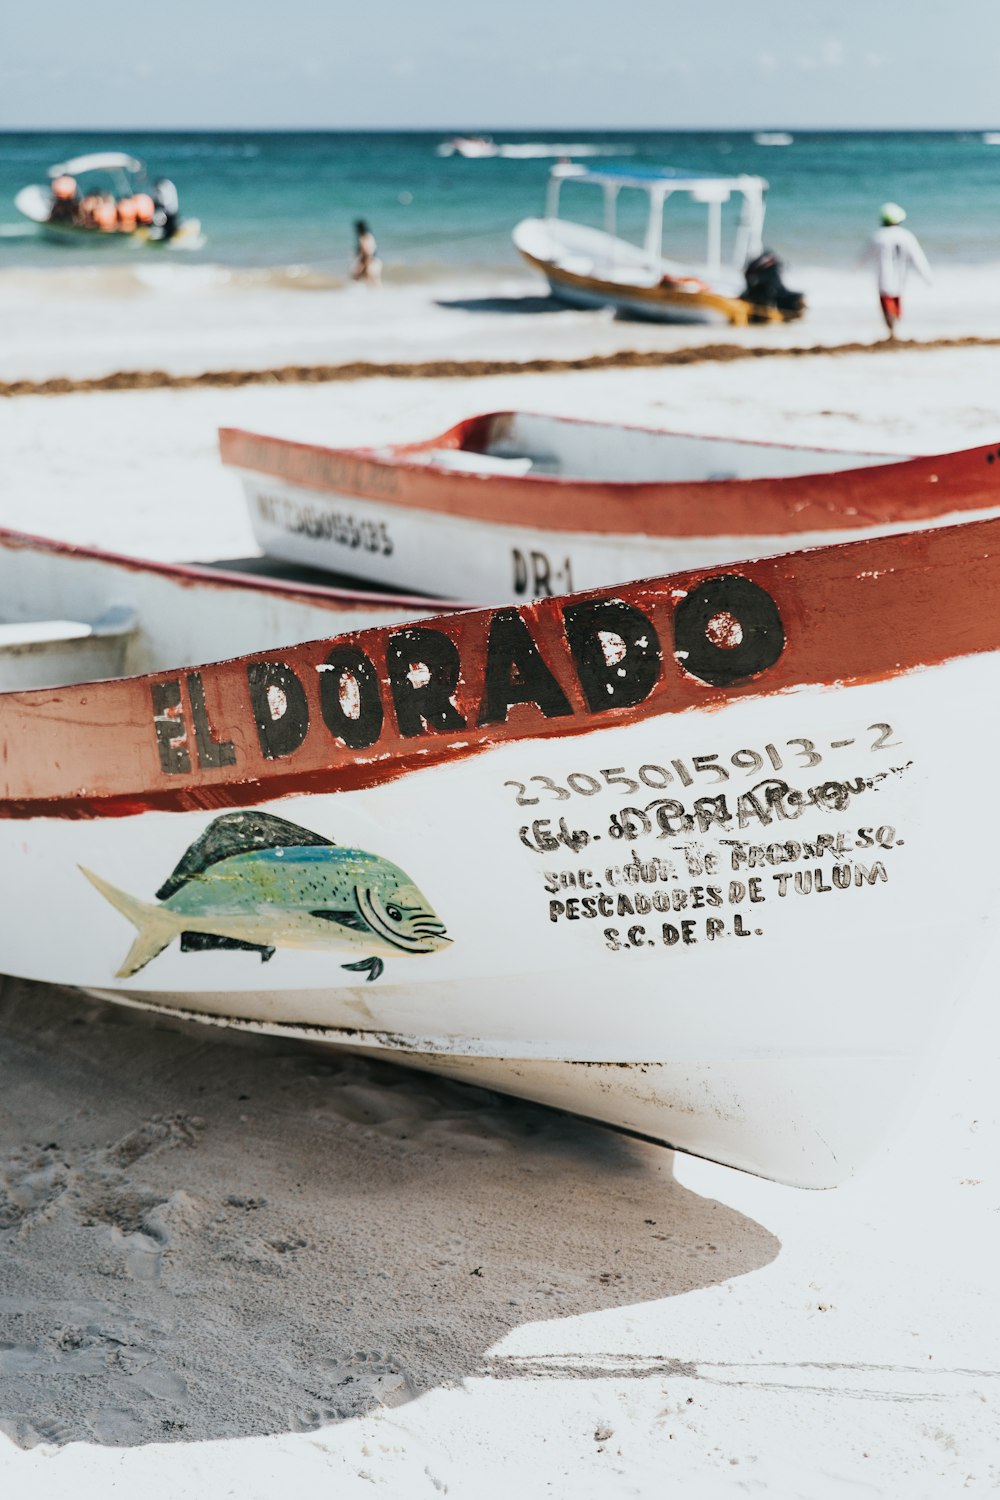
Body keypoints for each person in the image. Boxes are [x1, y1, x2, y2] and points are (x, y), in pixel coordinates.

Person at [861, 203, 932, 336]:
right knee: (896, 302)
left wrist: (855, 270)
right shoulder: (906, 236)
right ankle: (895, 329)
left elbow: (864, 257)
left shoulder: (878, 236)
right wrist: (927, 277)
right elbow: (918, 259)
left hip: (884, 278)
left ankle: (892, 330)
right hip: (901, 277)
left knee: (887, 304)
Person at [351, 219, 382, 287]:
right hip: (375, 260)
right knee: (375, 283)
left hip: (368, 261)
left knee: (358, 279)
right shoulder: (370, 236)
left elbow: (366, 252)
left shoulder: (363, 238)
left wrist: (364, 265)